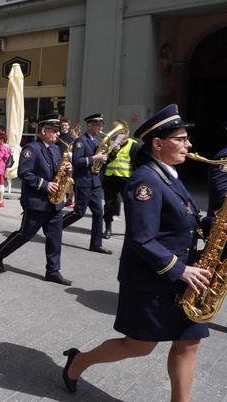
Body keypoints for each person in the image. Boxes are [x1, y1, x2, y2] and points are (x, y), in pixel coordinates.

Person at [61, 104, 212, 401]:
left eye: (186, 139)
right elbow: (142, 239)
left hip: (183, 279)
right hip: (153, 279)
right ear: (158, 144)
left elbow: (185, 217)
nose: (189, 144)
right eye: (181, 139)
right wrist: (181, 269)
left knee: (188, 343)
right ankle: (78, 362)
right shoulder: (146, 181)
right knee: (139, 346)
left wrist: (211, 225)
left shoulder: (169, 174)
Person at [0, 113, 73, 285]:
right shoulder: (31, 149)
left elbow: (58, 170)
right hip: (37, 203)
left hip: (55, 204)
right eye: (55, 131)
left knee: (55, 238)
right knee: (24, 235)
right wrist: (45, 185)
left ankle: (53, 271)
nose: (58, 134)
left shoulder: (57, 149)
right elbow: (24, 173)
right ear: (44, 131)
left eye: (58, 131)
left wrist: (67, 170)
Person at [61, 113, 112, 254]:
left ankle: (96, 244)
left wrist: (106, 156)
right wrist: (94, 157)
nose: (101, 127)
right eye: (98, 125)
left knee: (98, 213)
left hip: (94, 182)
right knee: (79, 212)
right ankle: (55, 227)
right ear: (90, 125)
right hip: (83, 181)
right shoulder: (80, 141)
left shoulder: (96, 142)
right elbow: (77, 162)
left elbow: (99, 161)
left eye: (101, 125)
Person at [102, 136, 139, 239]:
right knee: (108, 205)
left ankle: (130, 230)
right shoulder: (111, 144)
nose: (121, 138)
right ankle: (107, 228)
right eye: (119, 135)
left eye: (123, 135)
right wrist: (113, 152)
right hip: (110, 178)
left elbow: (137, 164)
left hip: (126, 180)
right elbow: (105, 161)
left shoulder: (133, 144)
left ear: (127, 134)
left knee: (130, 206)